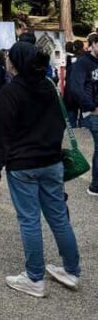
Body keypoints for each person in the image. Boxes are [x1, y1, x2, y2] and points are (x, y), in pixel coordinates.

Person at [0, 41, 81, 297]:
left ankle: (34, 277)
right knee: (59, 217)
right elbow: (60, 121)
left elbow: (0, 133)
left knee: (29, 220)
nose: (7, 60)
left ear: (15, 62)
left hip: (23, 165)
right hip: (51, 162)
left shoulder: (10, 92)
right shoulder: (49, 86)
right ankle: (71, 270)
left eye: (9, 56)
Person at [69, 33, 98, 197]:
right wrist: (91, 107)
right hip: (94, 113)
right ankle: (96, 186)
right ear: (93, 44)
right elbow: (75, 88)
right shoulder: (83, 63)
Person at [63, 40, 84, 128]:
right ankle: (83, 131)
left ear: (74, 47)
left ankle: (73, 132)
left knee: (71, 116)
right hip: (84, 90)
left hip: (71, 90)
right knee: (84, 117)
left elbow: (68, 75)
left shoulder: (70, 59)